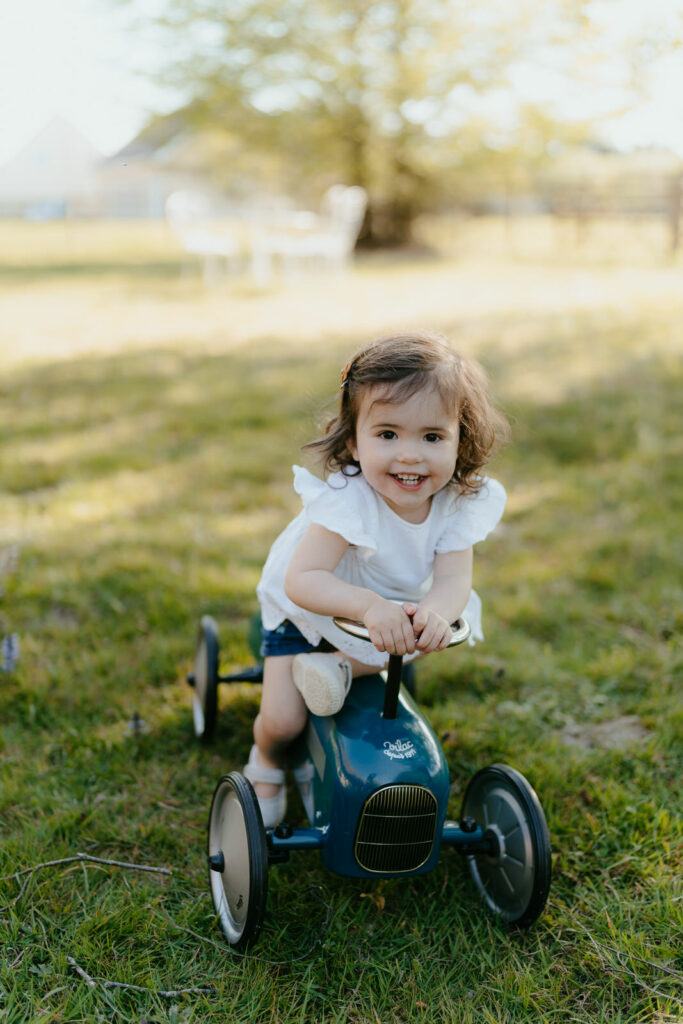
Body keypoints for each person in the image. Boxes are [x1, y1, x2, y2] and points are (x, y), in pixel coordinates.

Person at [244, 331, 509, 826]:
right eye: (388, 435)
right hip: (308, 613)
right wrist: (367, 606)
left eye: (432, 437)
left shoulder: (456, 504)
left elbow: (454, 581)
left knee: (407, 636)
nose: (410, 455)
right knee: (283, 719)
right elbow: (304, 579)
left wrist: (435, 612)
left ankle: (342, 668)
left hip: (387, 615)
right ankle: (265, 764)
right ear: (353, 440)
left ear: (460, 438)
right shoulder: (348, 501)